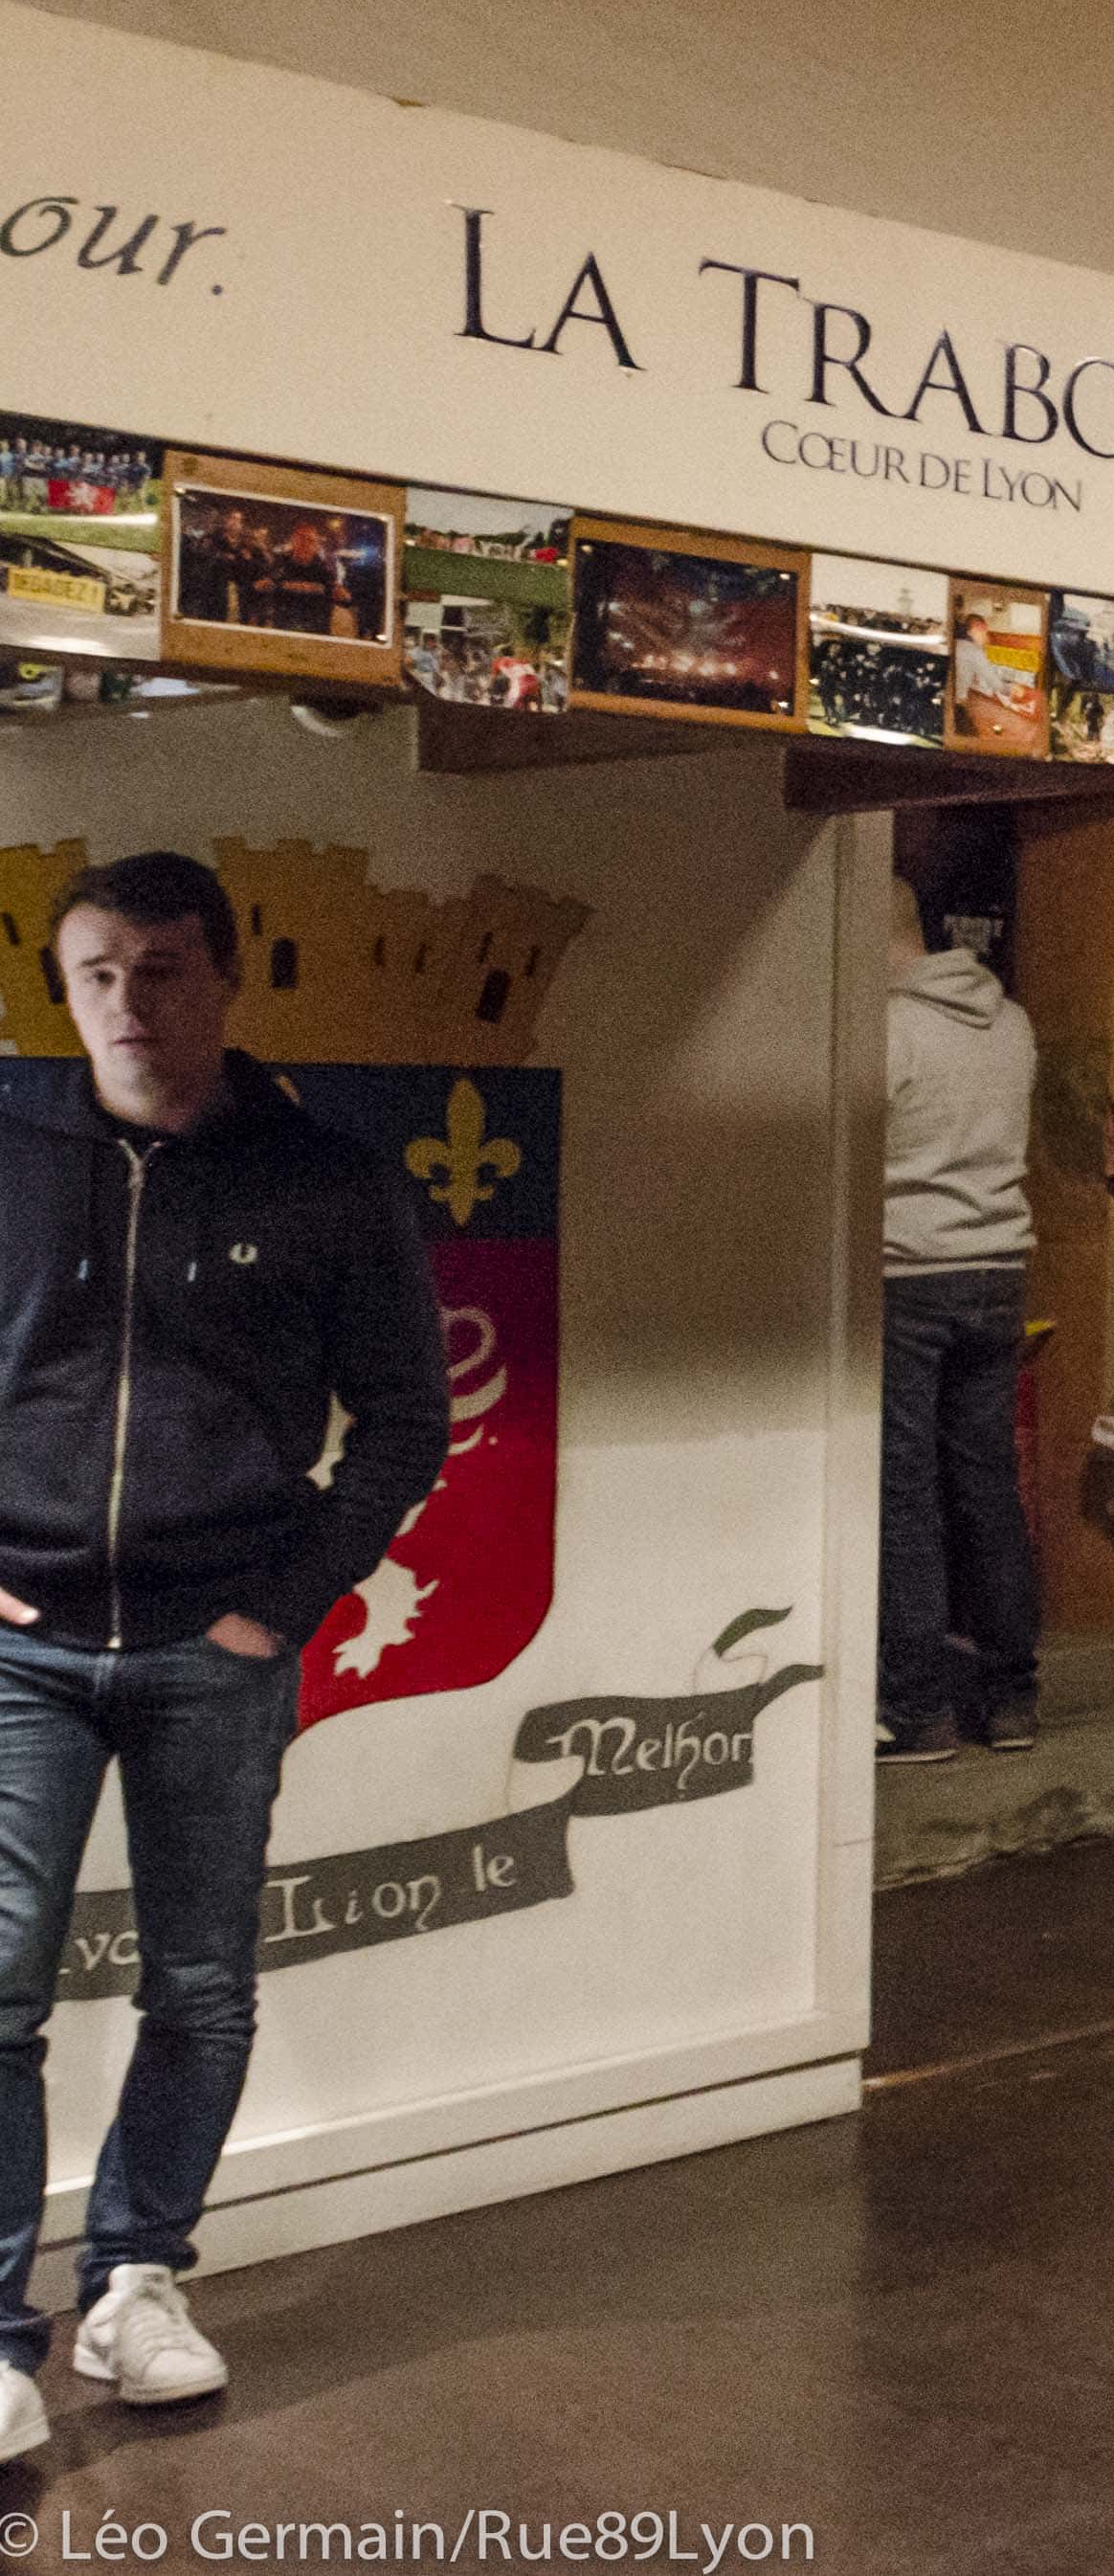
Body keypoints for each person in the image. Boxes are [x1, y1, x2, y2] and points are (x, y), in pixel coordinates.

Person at [0, 851, 448, 2439]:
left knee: (201, 1984)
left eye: (163, 969)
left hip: (218, 1643)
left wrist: (285, 1601)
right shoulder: (11, 1151)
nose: (128, 1001)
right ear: (65, 985)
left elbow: (406, 1421)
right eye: (98, 970)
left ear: (227, 978)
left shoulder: (327, 1179)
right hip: (23, 1646)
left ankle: (137, 2283)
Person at [880, 877, 1042, 1761]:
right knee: (986, 1484)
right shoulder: (1011, 1021)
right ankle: (1013, 1696)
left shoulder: (888, 1027)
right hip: (1000, 1270)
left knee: (904, 1494)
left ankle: (919, 1713)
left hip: (908, 1272)